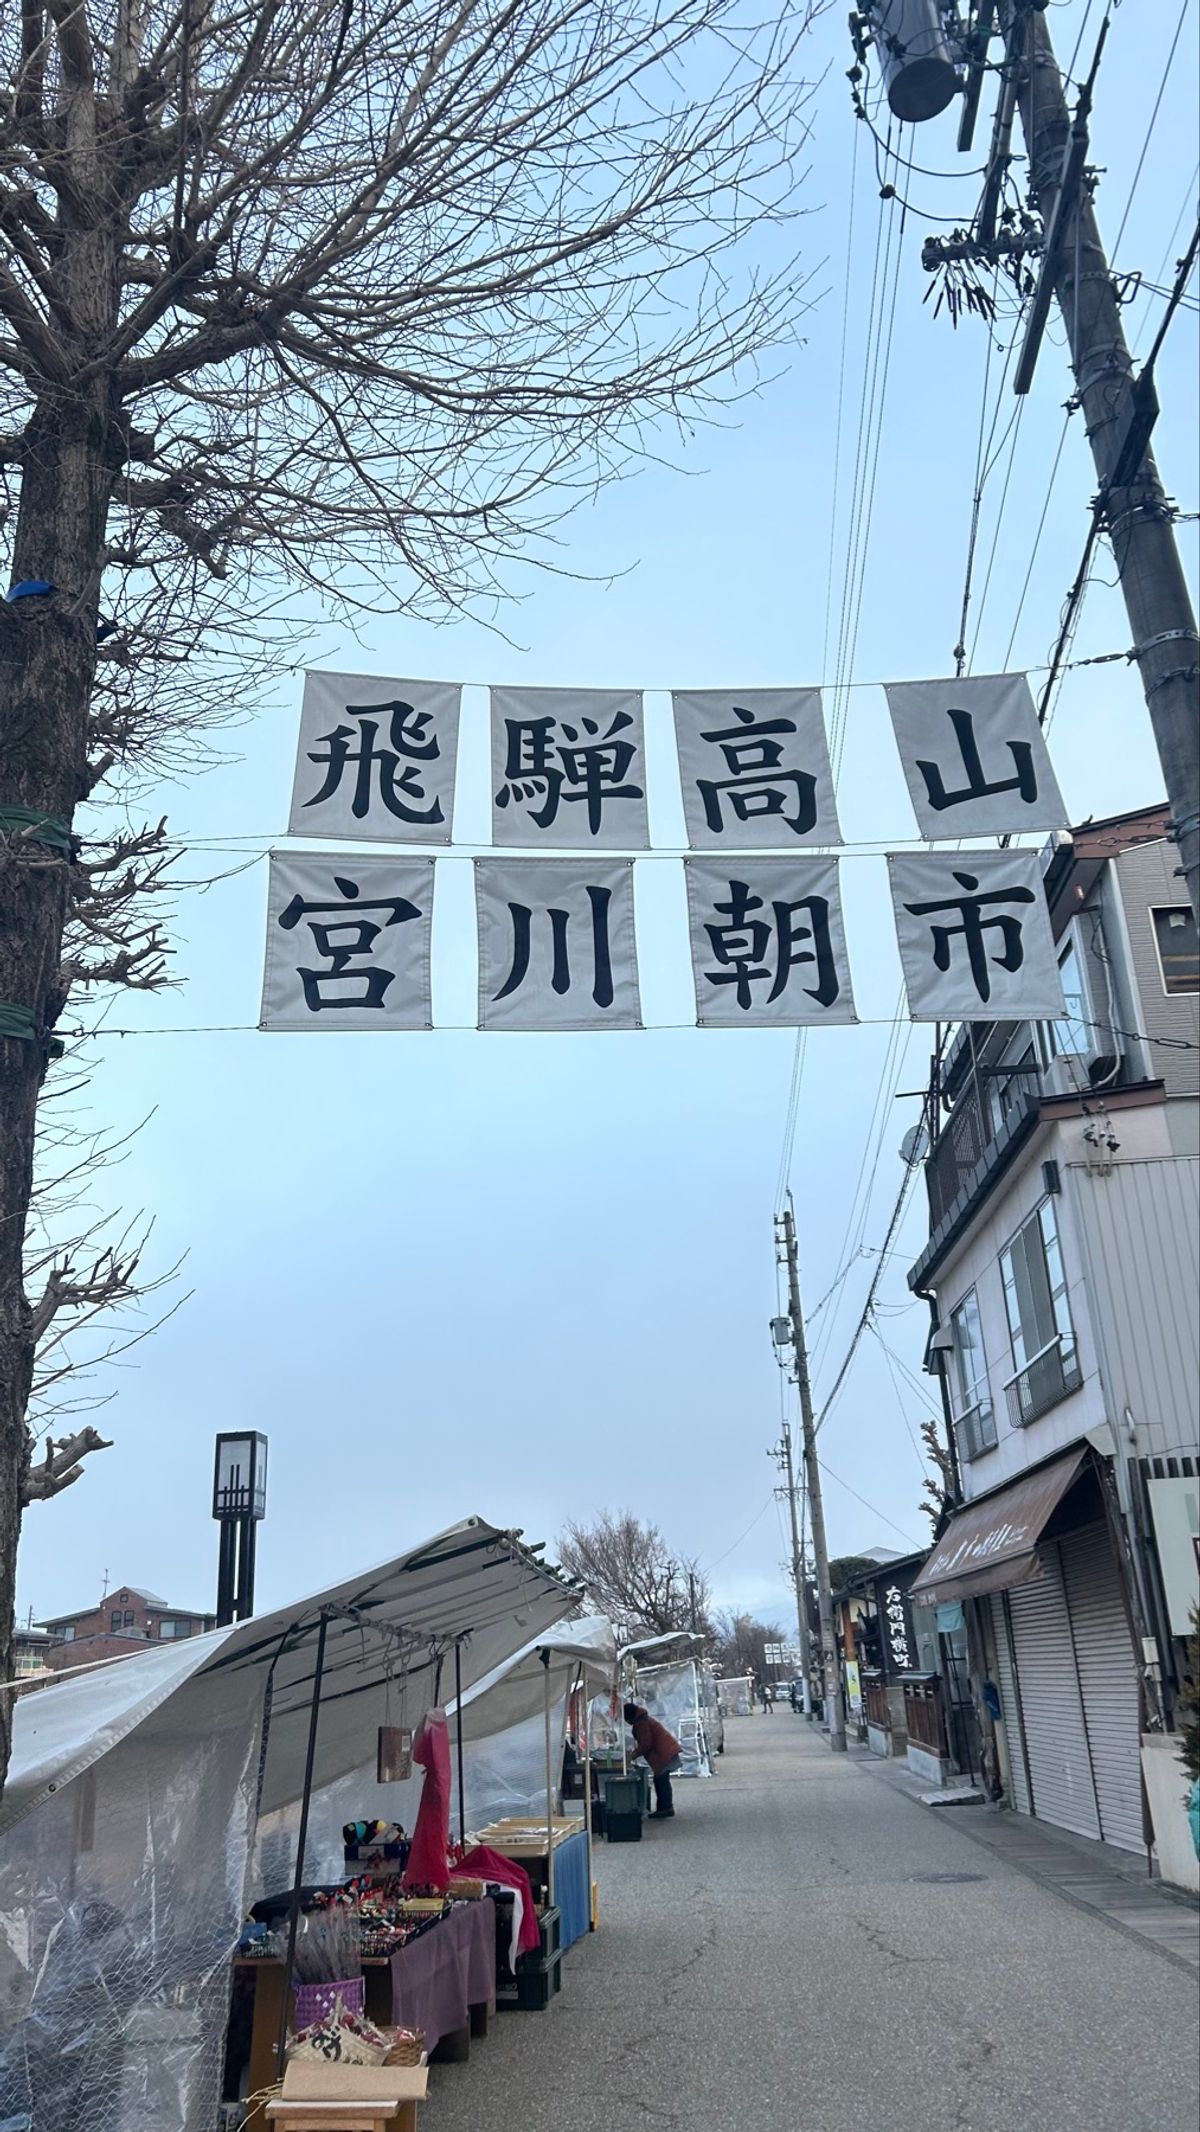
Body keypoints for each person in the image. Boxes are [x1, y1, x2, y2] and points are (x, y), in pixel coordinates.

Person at [623, 1701, 682, 1818]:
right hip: (666, 1750)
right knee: (661, 1779)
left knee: (661, 1780)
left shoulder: (641, 1723)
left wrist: (633, 1755)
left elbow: (646, 1743)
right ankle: (664, 1807)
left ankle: (666, 1807)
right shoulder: (643, 1719)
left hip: (664, 1753)